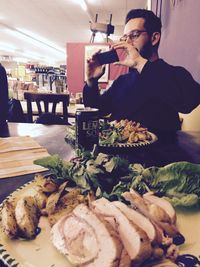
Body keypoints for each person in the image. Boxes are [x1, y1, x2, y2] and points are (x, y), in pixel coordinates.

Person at [83, 9, 200, 135]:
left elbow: (189, 102)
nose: (127, 42)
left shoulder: (174, 74)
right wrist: (91, 82)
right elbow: (97, 109)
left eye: (134, 35)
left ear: (154, 38)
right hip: (119, 152)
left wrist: (140, 63)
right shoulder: (122, 81)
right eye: (125, 37)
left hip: (162, 153)